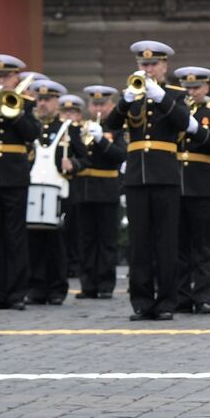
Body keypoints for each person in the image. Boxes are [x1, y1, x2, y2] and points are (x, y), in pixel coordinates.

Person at [102, 41, 188, 321]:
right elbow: (110, 126)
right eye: (143, 64)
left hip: (165, 176)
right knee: (139, 243)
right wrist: (124, 101)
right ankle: (141, 301)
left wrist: (160, 96)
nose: (148, 69)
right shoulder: (132, 95)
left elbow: (184, 122)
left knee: (166, 241)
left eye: (153, 64)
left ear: (164, 66)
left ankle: (165, 302)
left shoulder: (175, 94)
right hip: (137, 177)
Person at [174, 67, 210, 315]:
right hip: (176, 183)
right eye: (187, 88)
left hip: (202, 185)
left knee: (204, 246)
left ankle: (203, 296)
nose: (191, 92)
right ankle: (182, 296)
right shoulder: (174, 113)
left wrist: (198, 130)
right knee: (179, 246)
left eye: (196, 88)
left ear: (206, 88)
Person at [72, 85, 124, 300]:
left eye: (102, 104)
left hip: (107, 190)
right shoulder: (80, 128)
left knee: (106, 240)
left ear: (111, 105)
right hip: (85, 190)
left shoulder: (117, 129)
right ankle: (88, 284)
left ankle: (105, 284)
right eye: (94, 104)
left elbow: (120, 156)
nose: (98, 108)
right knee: (86, 239)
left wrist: (102, 139)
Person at [25, 80, 71, 306]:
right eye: (39, 99)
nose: (42, 104)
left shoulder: (65, 128)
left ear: (56, 102)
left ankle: (56, 288)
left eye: (47, 100)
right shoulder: (30, 126)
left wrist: (73, 163)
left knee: (56, 243)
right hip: (33, 190)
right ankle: (36, 287)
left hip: (56, 191)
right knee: (33, 242)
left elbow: (82, 157)